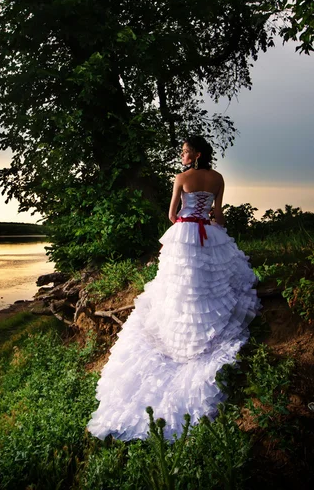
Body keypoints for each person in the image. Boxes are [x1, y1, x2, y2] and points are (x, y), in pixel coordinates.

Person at [87, 136, 260, 441]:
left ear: (197, 154)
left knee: (181, 289)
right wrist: (213, 229)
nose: (182, 155)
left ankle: (180, 339)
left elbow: (171, 215)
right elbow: (218, 215)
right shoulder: (218, 178)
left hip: (184, 233)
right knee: (209, 286)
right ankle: (206, 338)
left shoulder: (181, 178)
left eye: (185, 151)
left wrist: (187, 220)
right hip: (209, 232)